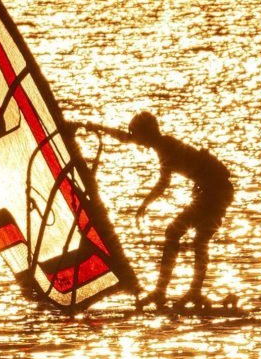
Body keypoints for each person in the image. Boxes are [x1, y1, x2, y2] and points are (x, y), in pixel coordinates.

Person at [80, 112, 234, 309]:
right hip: (209, 192)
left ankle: (177, 291)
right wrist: (99, 128)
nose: (136, 139)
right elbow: (126, 137)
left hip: (216, 192)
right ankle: (179, 291)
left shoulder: (166, 147)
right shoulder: (159, 144)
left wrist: (144, 205)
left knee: (183, 235)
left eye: (138, 134)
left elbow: (163, 183)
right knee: (191, 238)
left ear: (148, 133)